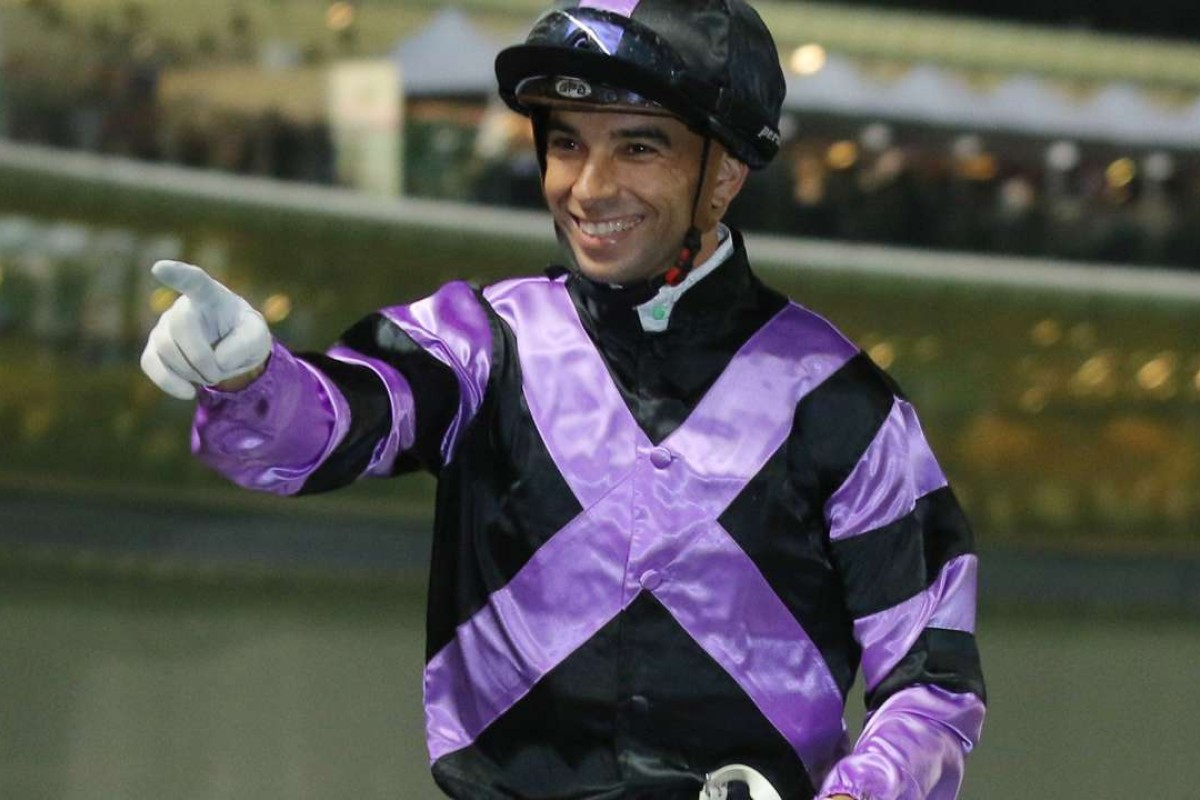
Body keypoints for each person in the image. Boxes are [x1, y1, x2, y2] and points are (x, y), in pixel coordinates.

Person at [140, 1, 986, 798]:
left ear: (725, 172)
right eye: (568, 144)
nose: (588, 187)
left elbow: (933, 684)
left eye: (639, 148)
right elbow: (337, 421)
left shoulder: (846, 405)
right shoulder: (482, 341)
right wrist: (252, 378)